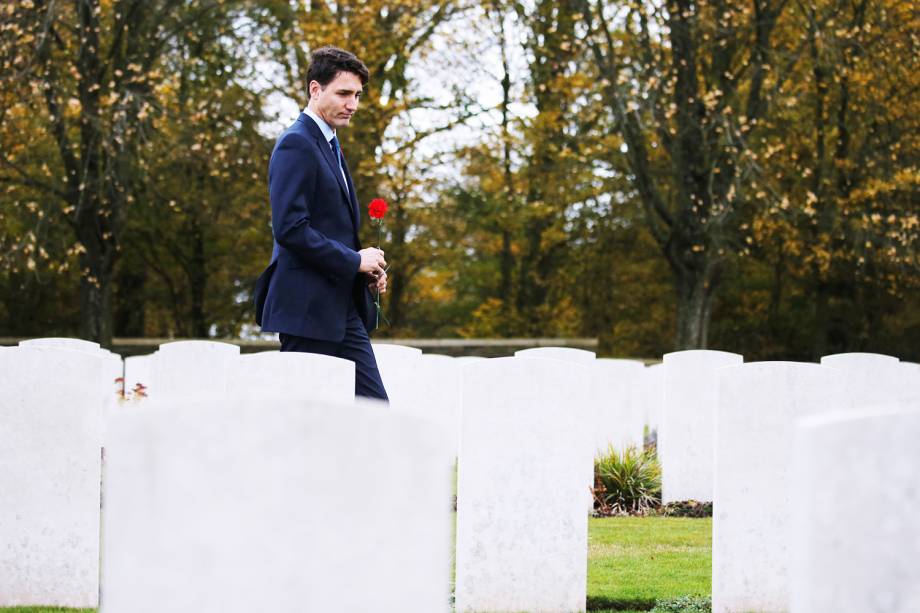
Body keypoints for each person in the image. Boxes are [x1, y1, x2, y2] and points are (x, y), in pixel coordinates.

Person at [253, 46, 389, 401]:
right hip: (306, 309)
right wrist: (353, 260)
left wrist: (364, 267)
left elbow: (330, 229)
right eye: (343, 93)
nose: (353, 104)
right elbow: (290, 228)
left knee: (373, 414)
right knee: (305, 427)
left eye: (357, 95)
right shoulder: (296, 143)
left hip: (339, 307)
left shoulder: (329, 144)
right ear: (316, 89)